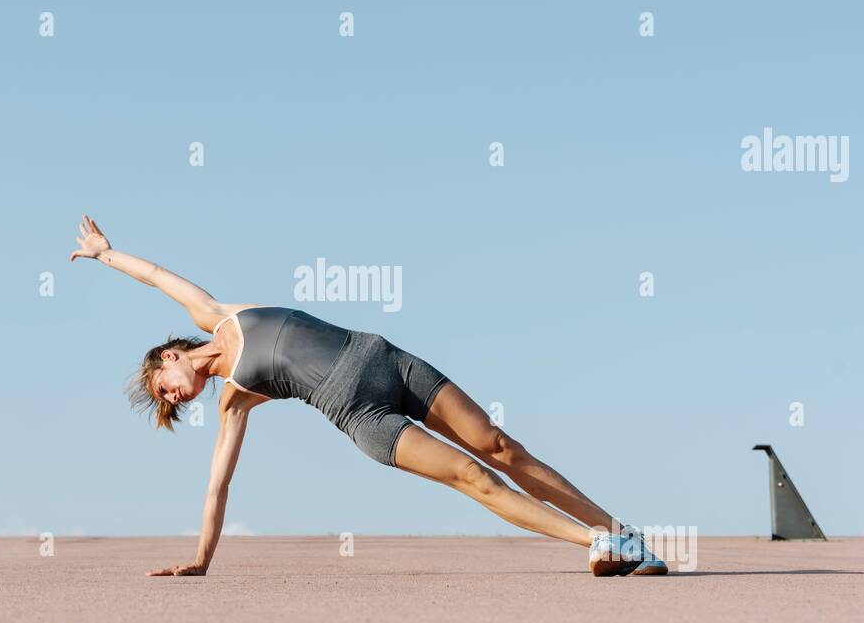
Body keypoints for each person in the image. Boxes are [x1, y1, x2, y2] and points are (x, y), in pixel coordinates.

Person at [69, 215, 667, 578]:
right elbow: (217, 487)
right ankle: (596, 542)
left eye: (164, 388)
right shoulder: (234, 400)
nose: (175, 398)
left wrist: (104, 255)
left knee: (499, 445)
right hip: (366, 416)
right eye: (169, 401)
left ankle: (623, 534)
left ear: (170, 356)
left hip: (389, 361)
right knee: (472, 477)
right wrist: (201, 559)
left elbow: (155, 275)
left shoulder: (216, 314)